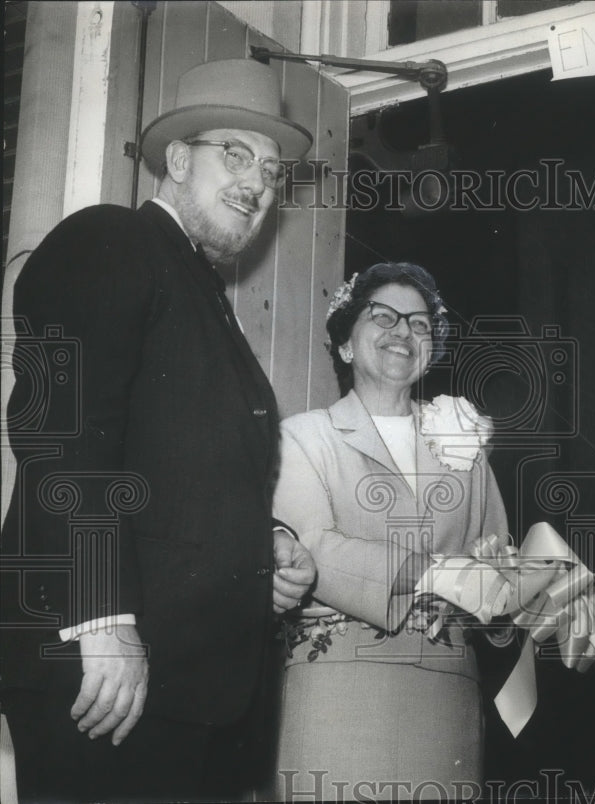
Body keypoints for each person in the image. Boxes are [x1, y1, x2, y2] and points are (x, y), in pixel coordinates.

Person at [0, 59, 317, 803]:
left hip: (181, 685)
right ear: (177, 160)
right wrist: (101, 618)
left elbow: (174, 467)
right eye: (235, 155)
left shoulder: (198, 287)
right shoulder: (110, 237)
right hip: (105, 669)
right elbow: (64, 434)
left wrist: (261, 543)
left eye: (271, 171)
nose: (257, 184)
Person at [272, 262, 510, 802]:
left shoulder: (463, 447)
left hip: (447, 697)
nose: (403, 332)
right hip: (338, 694)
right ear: (347, 345)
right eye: (384, 316)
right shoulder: (304, 437)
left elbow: (495, 563)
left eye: (420, 324)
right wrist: (441, 575)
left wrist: (513, 588)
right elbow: (311, 548)